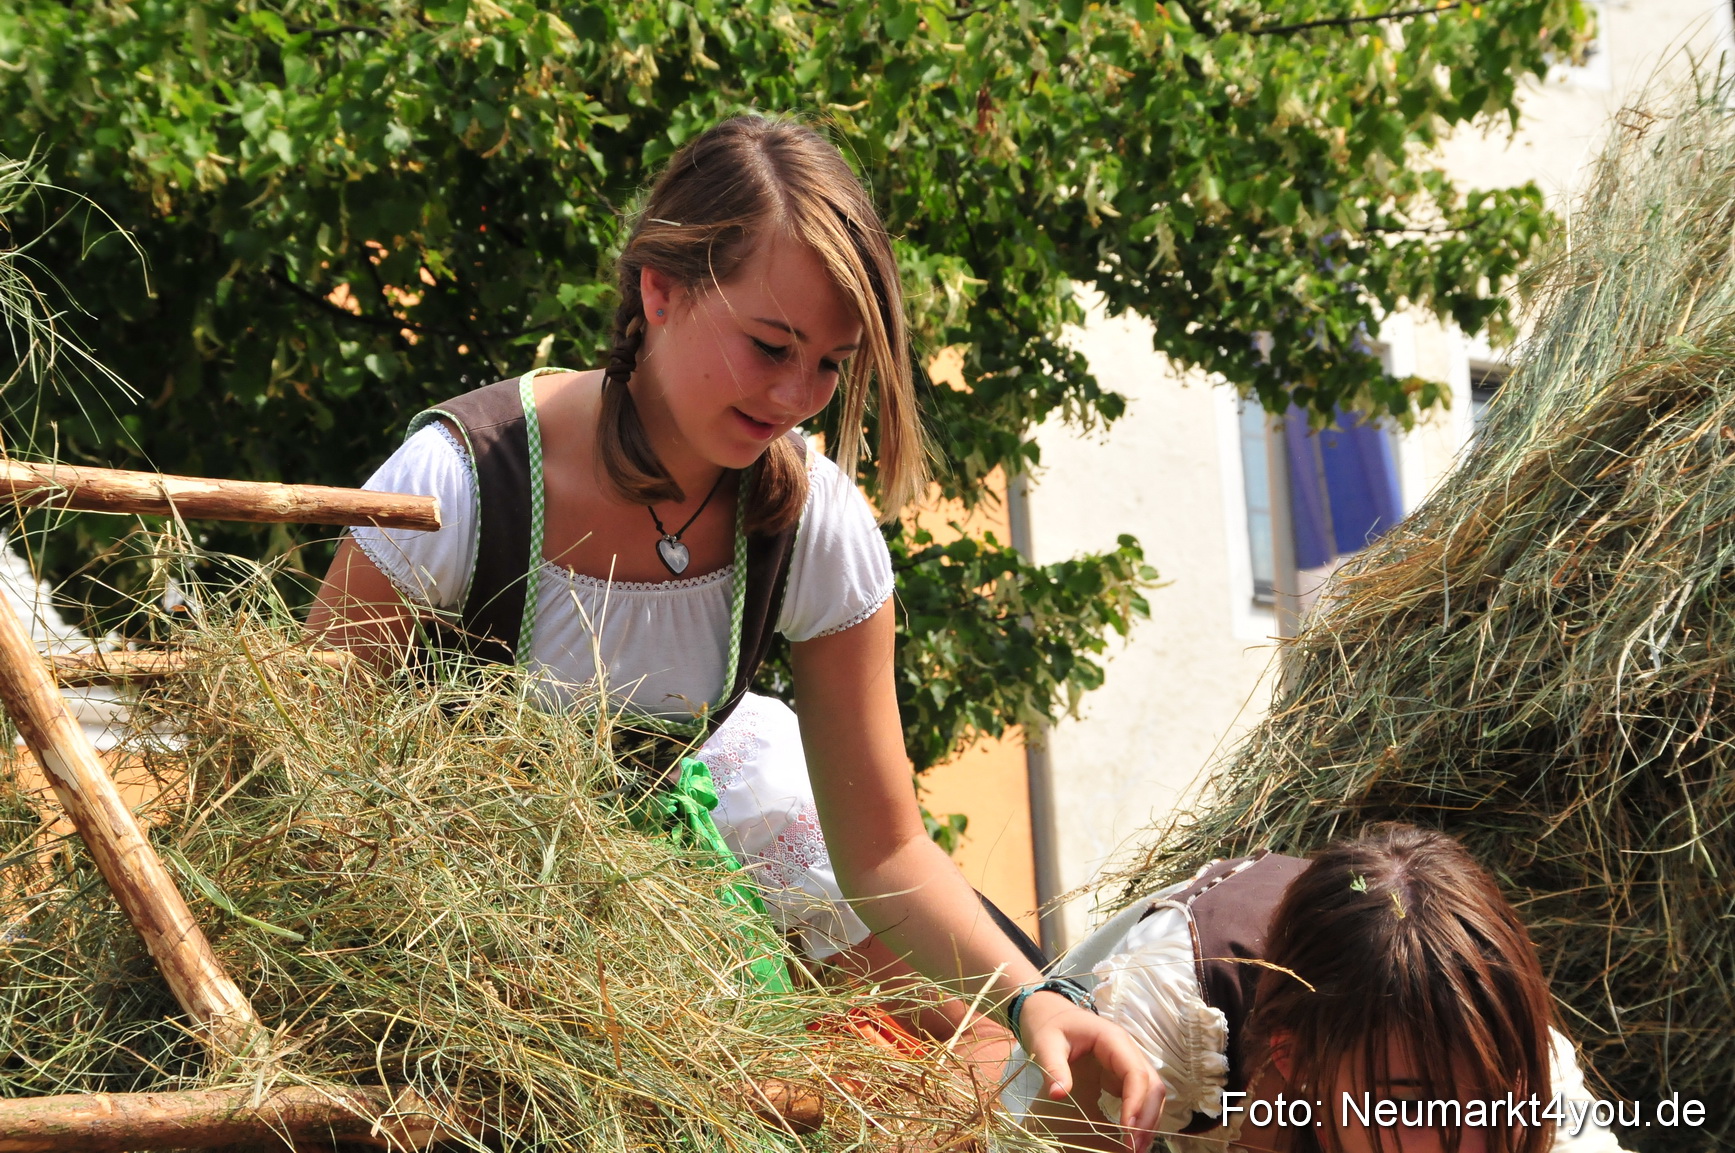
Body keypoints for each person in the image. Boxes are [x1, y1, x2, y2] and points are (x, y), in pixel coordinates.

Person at [308, 115, 1161, 1148]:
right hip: (433, 949)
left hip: (653, 953)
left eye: (829, 364)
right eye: (770, 346)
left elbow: (884, 850)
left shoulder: (811, 523)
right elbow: (308, 789)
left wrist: (1036, 1000)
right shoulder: (460, 486)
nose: (795, 395)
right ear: (659, 292)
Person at [1004, 825, 1629, 1153]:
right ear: (1292, 1056)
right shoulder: (1167, 1011)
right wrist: (1074, 1097)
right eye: (1406, 1107)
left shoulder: (1519, 1063)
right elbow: (1039, 1136)